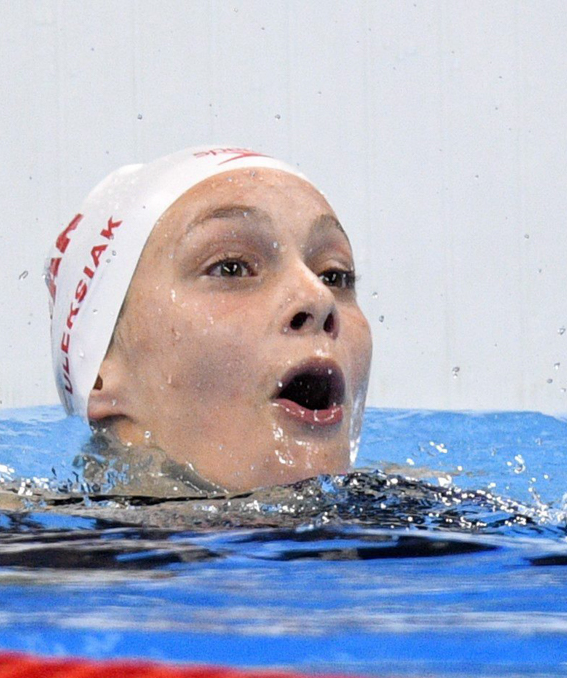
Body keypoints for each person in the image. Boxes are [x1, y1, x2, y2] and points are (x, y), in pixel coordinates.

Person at [46, 146, 372, 496]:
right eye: (231, 268)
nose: (319, 298)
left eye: (334, 276)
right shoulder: (15, 541)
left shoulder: (416, 520)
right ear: (98, 374)